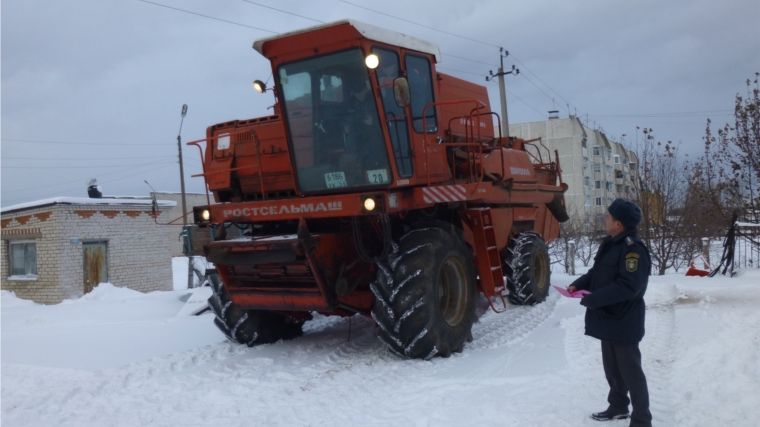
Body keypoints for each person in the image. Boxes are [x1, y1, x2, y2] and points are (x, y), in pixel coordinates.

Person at [567, 198, 653, 427]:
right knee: (613, 370)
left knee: (631, 374)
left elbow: (629, 287)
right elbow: (597, 273)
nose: (605, 218)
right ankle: (618, 407)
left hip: (624, 319)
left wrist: (594, 299)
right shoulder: (612, 244)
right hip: (609, 318)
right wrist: (578, 284)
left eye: (609, 216)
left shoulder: (633, 249)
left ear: (619, 224)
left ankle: (642, 420)